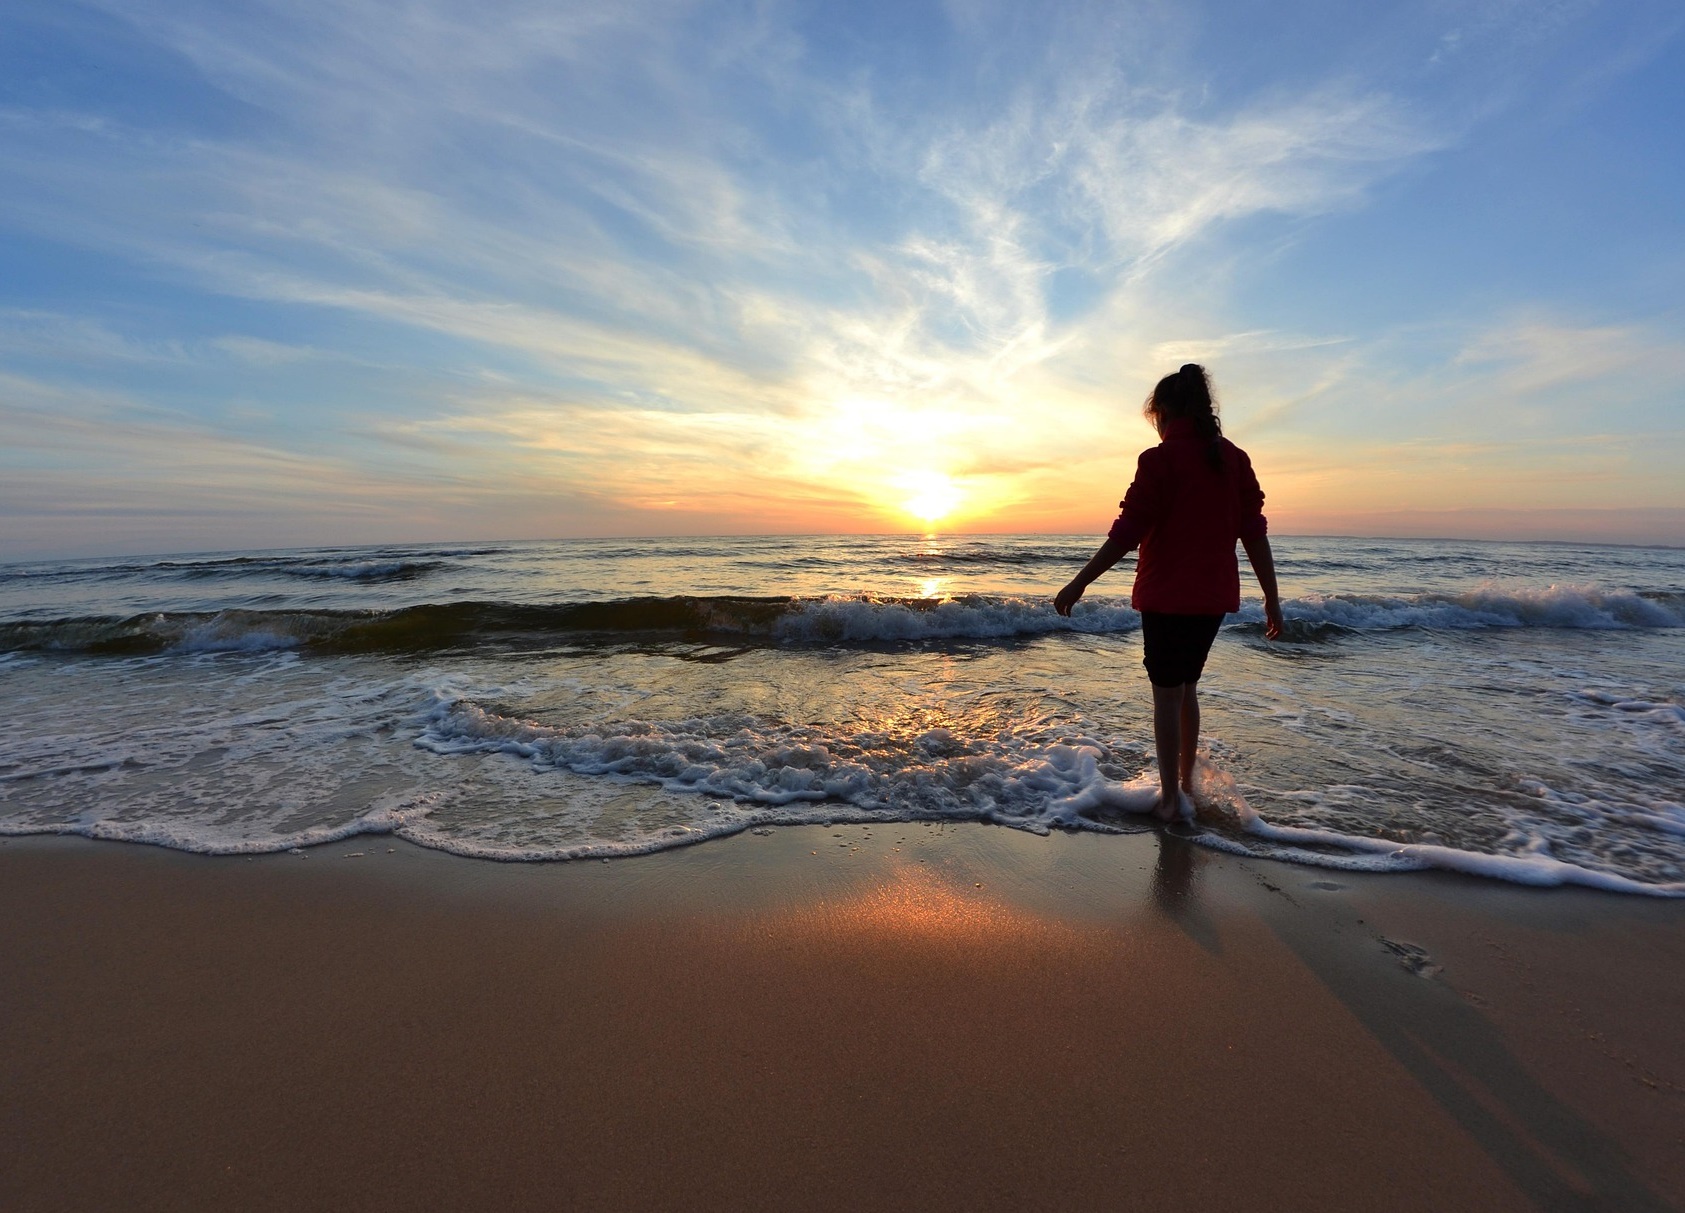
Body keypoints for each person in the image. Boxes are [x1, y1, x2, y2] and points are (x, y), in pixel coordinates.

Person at [1054, 363, 1284, 824]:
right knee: (1187, 688)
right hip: (1213, 597)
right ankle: (1182, 786)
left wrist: (1080, 581)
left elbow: (1127, 531)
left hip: (1165, 596)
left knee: (1167, 695)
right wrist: (1271, 598)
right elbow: (1253, 533)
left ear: (1164, 413)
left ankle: (1168, 800)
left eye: (1156, 415)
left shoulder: (1159, 461)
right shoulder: (1234, 459)